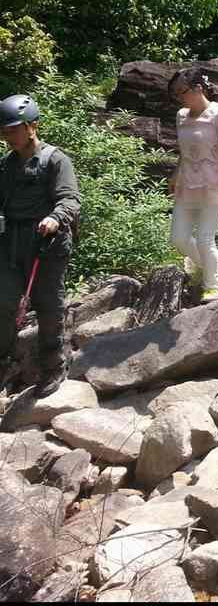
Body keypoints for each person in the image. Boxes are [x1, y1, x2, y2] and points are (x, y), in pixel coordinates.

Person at [0, 94, 81, 397]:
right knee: (3, 303)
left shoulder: (56, 160)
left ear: (32, 125)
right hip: (9, 243)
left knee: (48, 305)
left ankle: (53, 365)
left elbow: (70, 199)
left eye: (13, 129)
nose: (8, 136)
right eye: (4, 131)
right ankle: (4, 363)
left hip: (46, 244)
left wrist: (55, 218)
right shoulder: (6, 165)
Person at [167, 68, 218, 303]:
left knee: (205, 238)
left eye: (182, 91)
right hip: (187, 184)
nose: (179, 97)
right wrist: (176, 175)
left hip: (214, 184)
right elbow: (184, 151)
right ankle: (208, 266)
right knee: (178, 238)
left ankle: (211, 287)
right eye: (176, 93)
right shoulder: (181, 116)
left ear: (198, 88)